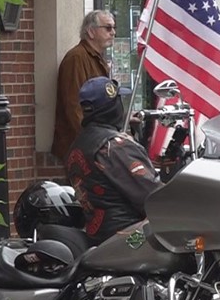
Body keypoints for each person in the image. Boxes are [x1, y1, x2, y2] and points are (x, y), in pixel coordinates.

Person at [64, 77, 161, 245]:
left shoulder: (77, 145)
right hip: (129, 239)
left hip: (99, 237)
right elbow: (154, 199)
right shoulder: (115, 148)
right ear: (112, 108)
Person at [53, 10, 115, 163]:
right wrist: (91, 142)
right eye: (108, 28)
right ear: (91, 32)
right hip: (82, 150)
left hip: (96, 144)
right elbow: (74, 105)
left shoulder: (95, 58)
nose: (113, 32)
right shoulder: (77, 58)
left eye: (114, 28)